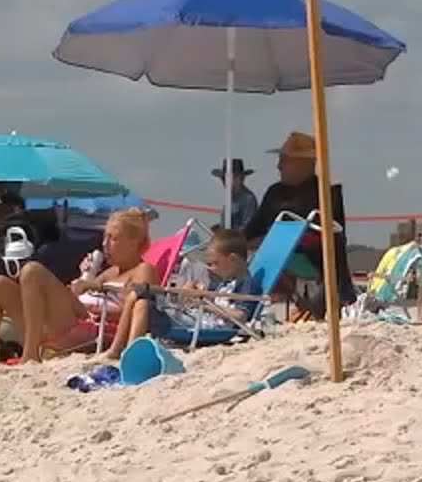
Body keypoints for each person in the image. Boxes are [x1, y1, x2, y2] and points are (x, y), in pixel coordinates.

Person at [0, 208, 157, 373]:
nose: (104, 244)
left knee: (32, 271)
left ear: (134, 241)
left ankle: (30, 354)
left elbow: (138, 307)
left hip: (95, 329)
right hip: (68, 322)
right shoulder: (109, 272)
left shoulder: (143, 270)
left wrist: (92, 296)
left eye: (113, 239)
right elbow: (81, 296)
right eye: (104, 237)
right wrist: (83, 280)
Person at [105, 228, 260, 360]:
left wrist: (204, 303)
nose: (211, 269)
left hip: (206, 327)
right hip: (195, 319)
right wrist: (197, 292)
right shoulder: (225, 281)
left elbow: (239, 316)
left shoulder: (247, 283)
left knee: (142, 298)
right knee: (139, 295)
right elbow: (215, 299)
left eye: (214, 263)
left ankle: (126, 351)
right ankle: (123, 350)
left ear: (232, 259)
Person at [244, 131, 356, 313]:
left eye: (285, 160)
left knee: (333, 241)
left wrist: (276, 240)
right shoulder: (275, 193)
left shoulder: (325, 194)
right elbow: (251, 231)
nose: (278, 166)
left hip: (310, 259)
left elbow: (332, 235)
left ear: (306, 163)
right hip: (275, 256)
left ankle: (329, 301)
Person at [213, 159, 259, 231]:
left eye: (228, 178)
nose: (224, 182)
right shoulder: (230, 197)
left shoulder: (248, 199)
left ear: (240, 179)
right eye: (223, 179)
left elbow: (247, 228)